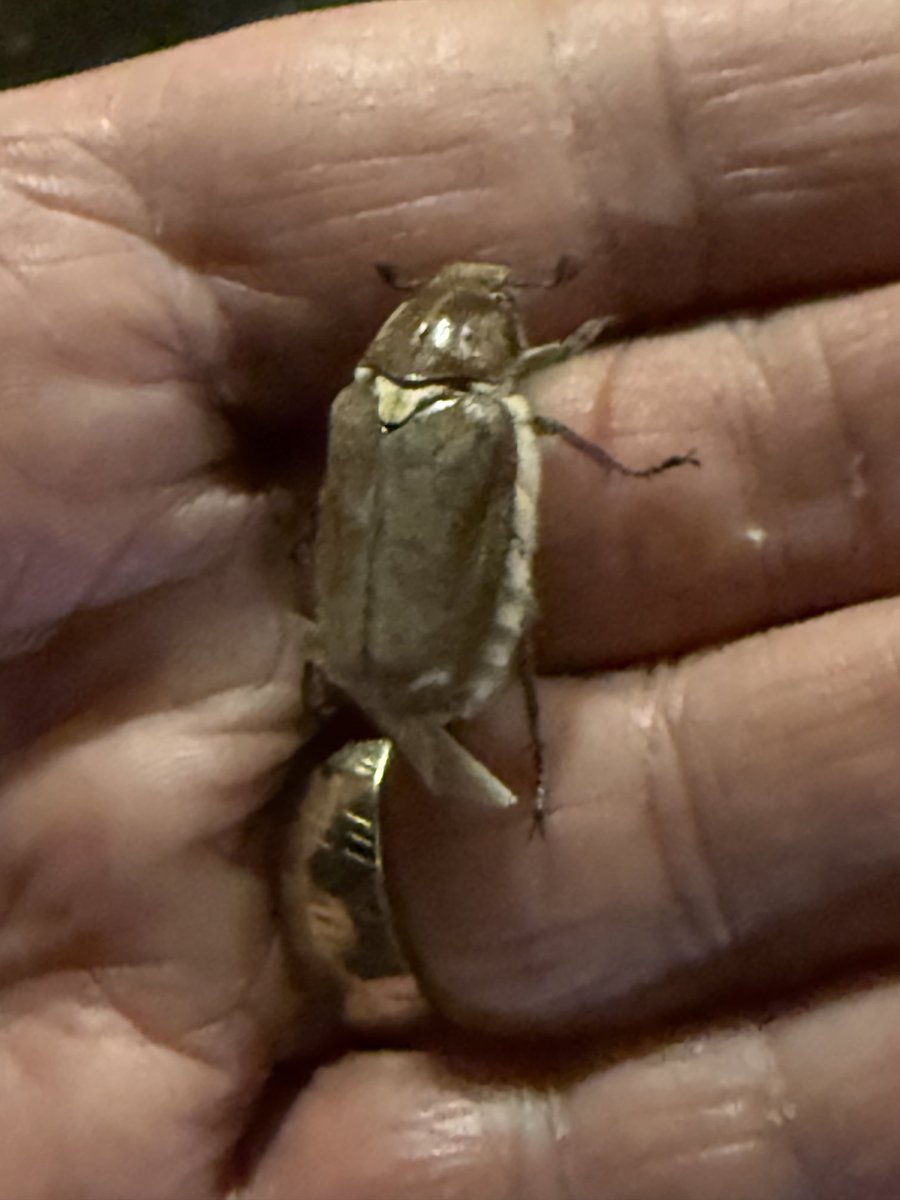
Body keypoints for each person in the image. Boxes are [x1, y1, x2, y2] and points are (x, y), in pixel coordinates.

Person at [1, 0, 899, 1195]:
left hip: (376, 647)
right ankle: (494, 758)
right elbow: (537, 462)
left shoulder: (360, 403)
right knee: (515, 618)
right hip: (430, 657)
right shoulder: (486, 405)